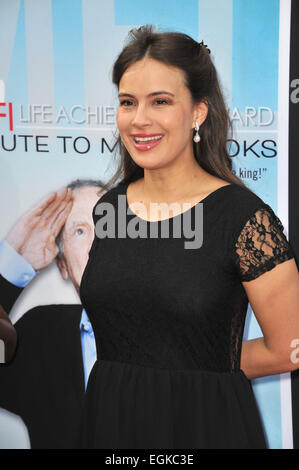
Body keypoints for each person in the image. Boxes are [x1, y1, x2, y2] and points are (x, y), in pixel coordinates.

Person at [78, 26, 299, 449]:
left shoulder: (242, 219)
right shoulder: (110, 208)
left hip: (202, 423)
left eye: (160, 101)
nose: (139, 119)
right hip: (110, 423)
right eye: (128, 103)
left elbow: (288, 348)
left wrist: (193, 370)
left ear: (198, 111)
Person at [0, 179, 105, 448]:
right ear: (62, 264)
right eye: (80, 231)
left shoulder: (178, 331)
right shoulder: (38, 333)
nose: (96, 243)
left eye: (107, 226)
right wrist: (12, 265)